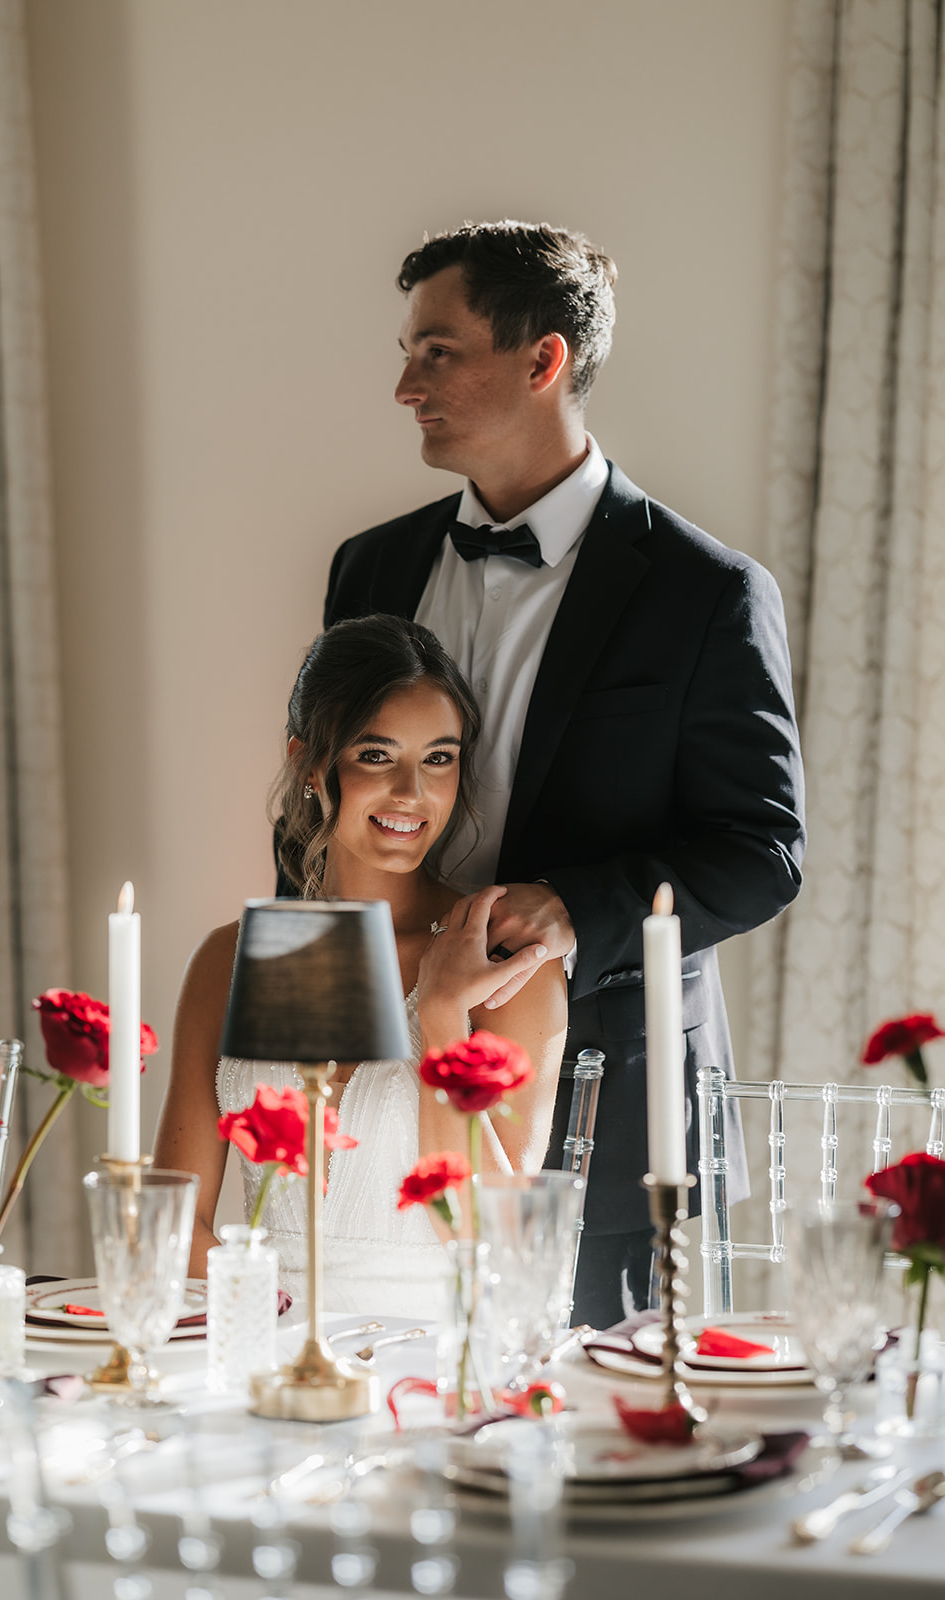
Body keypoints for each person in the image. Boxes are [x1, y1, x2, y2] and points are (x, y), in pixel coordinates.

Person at [323, 221, 807, 1328]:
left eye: (435, 351)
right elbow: (326, 800)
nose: (405, 385)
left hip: (615, 1105)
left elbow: (760, 853)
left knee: (598, 1447)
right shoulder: (370, 566)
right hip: (377, 1084)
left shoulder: (705, 592)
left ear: (542, 361)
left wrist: (570, 907)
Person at [154, 614, 566, 1315]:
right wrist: (274, 1331)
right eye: (376, 756)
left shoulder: (505, 965)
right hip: (263, 1349)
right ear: (310, 763)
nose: (411, 791)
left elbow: (495, 1244)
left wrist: (441, 1017)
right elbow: (174, 1223)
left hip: (439, 1364)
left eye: (439, 758)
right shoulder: (229, 957)